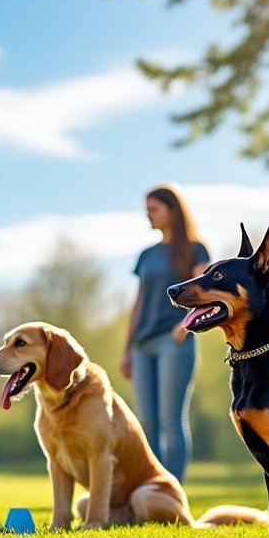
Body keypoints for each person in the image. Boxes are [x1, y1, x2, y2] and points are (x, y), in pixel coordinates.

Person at [118, 183, 210, 482]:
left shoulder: (195, 249)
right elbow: (139, 302)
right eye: (147, 209)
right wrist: (127, 349)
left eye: (154, 209)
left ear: (173, 210)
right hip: (143, 345)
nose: (149, 215)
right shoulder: (146, 255)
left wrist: (185, 325)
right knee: (147, 423)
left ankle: (174, 492)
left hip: (174, 342)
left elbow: (205, 291)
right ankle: (152, 488)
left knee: (172, 421)